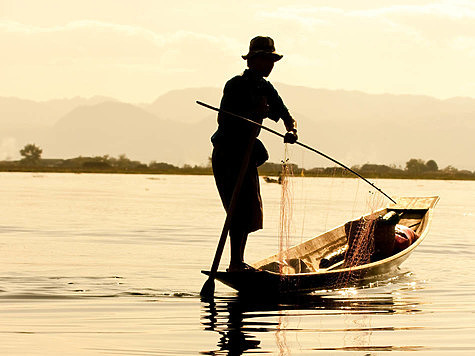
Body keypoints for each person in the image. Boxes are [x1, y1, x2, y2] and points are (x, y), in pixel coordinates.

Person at [211, 36, 298, 272]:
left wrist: (292, 131)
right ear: (254, 61)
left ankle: (236, 262)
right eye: (267, 60)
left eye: (273, 61)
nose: (271, 65)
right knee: (237, 209)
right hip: (228, 152)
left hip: (247, 154)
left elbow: (287, 116)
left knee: (249, 209)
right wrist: (255, 112)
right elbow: (224, 119)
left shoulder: (266, 88)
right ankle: (235, 263)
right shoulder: (235, 85)